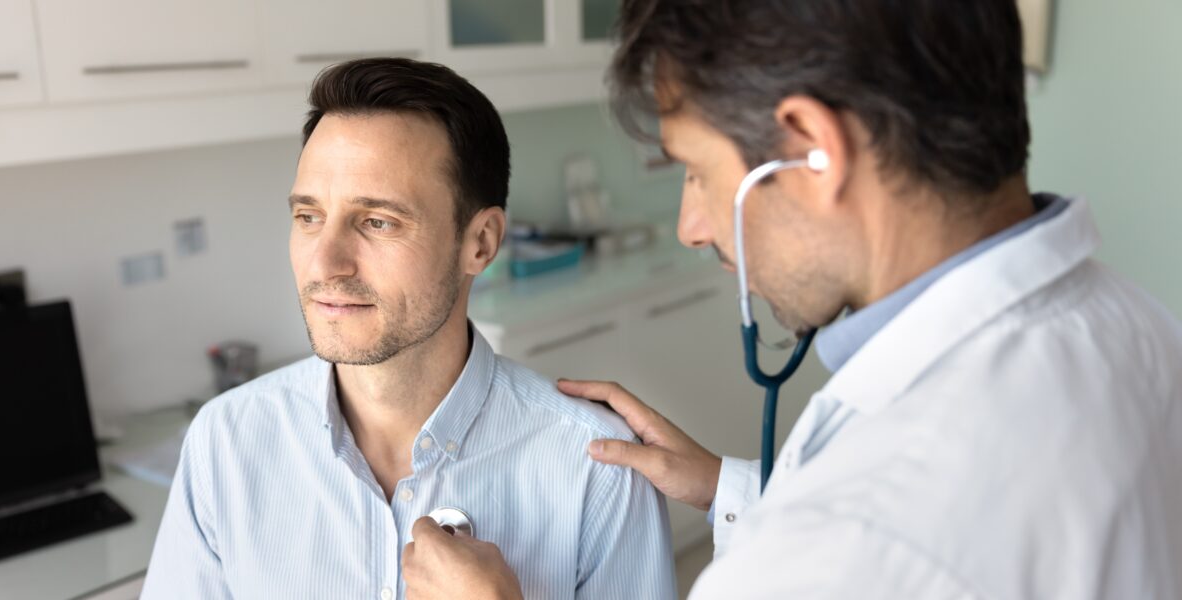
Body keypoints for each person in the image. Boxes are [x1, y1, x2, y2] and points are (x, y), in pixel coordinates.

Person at [400, 1, 1182, 597]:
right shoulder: (1138, 326)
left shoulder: (851, 542)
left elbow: (875, 539)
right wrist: (729, 490)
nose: (692, 227)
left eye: (697, 171)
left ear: (813, 151)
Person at [141, 58, 675, 600]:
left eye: (378, 221)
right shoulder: (225, 441)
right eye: (309, 217)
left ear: (481, 243)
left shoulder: (599, 468)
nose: (325, 264)